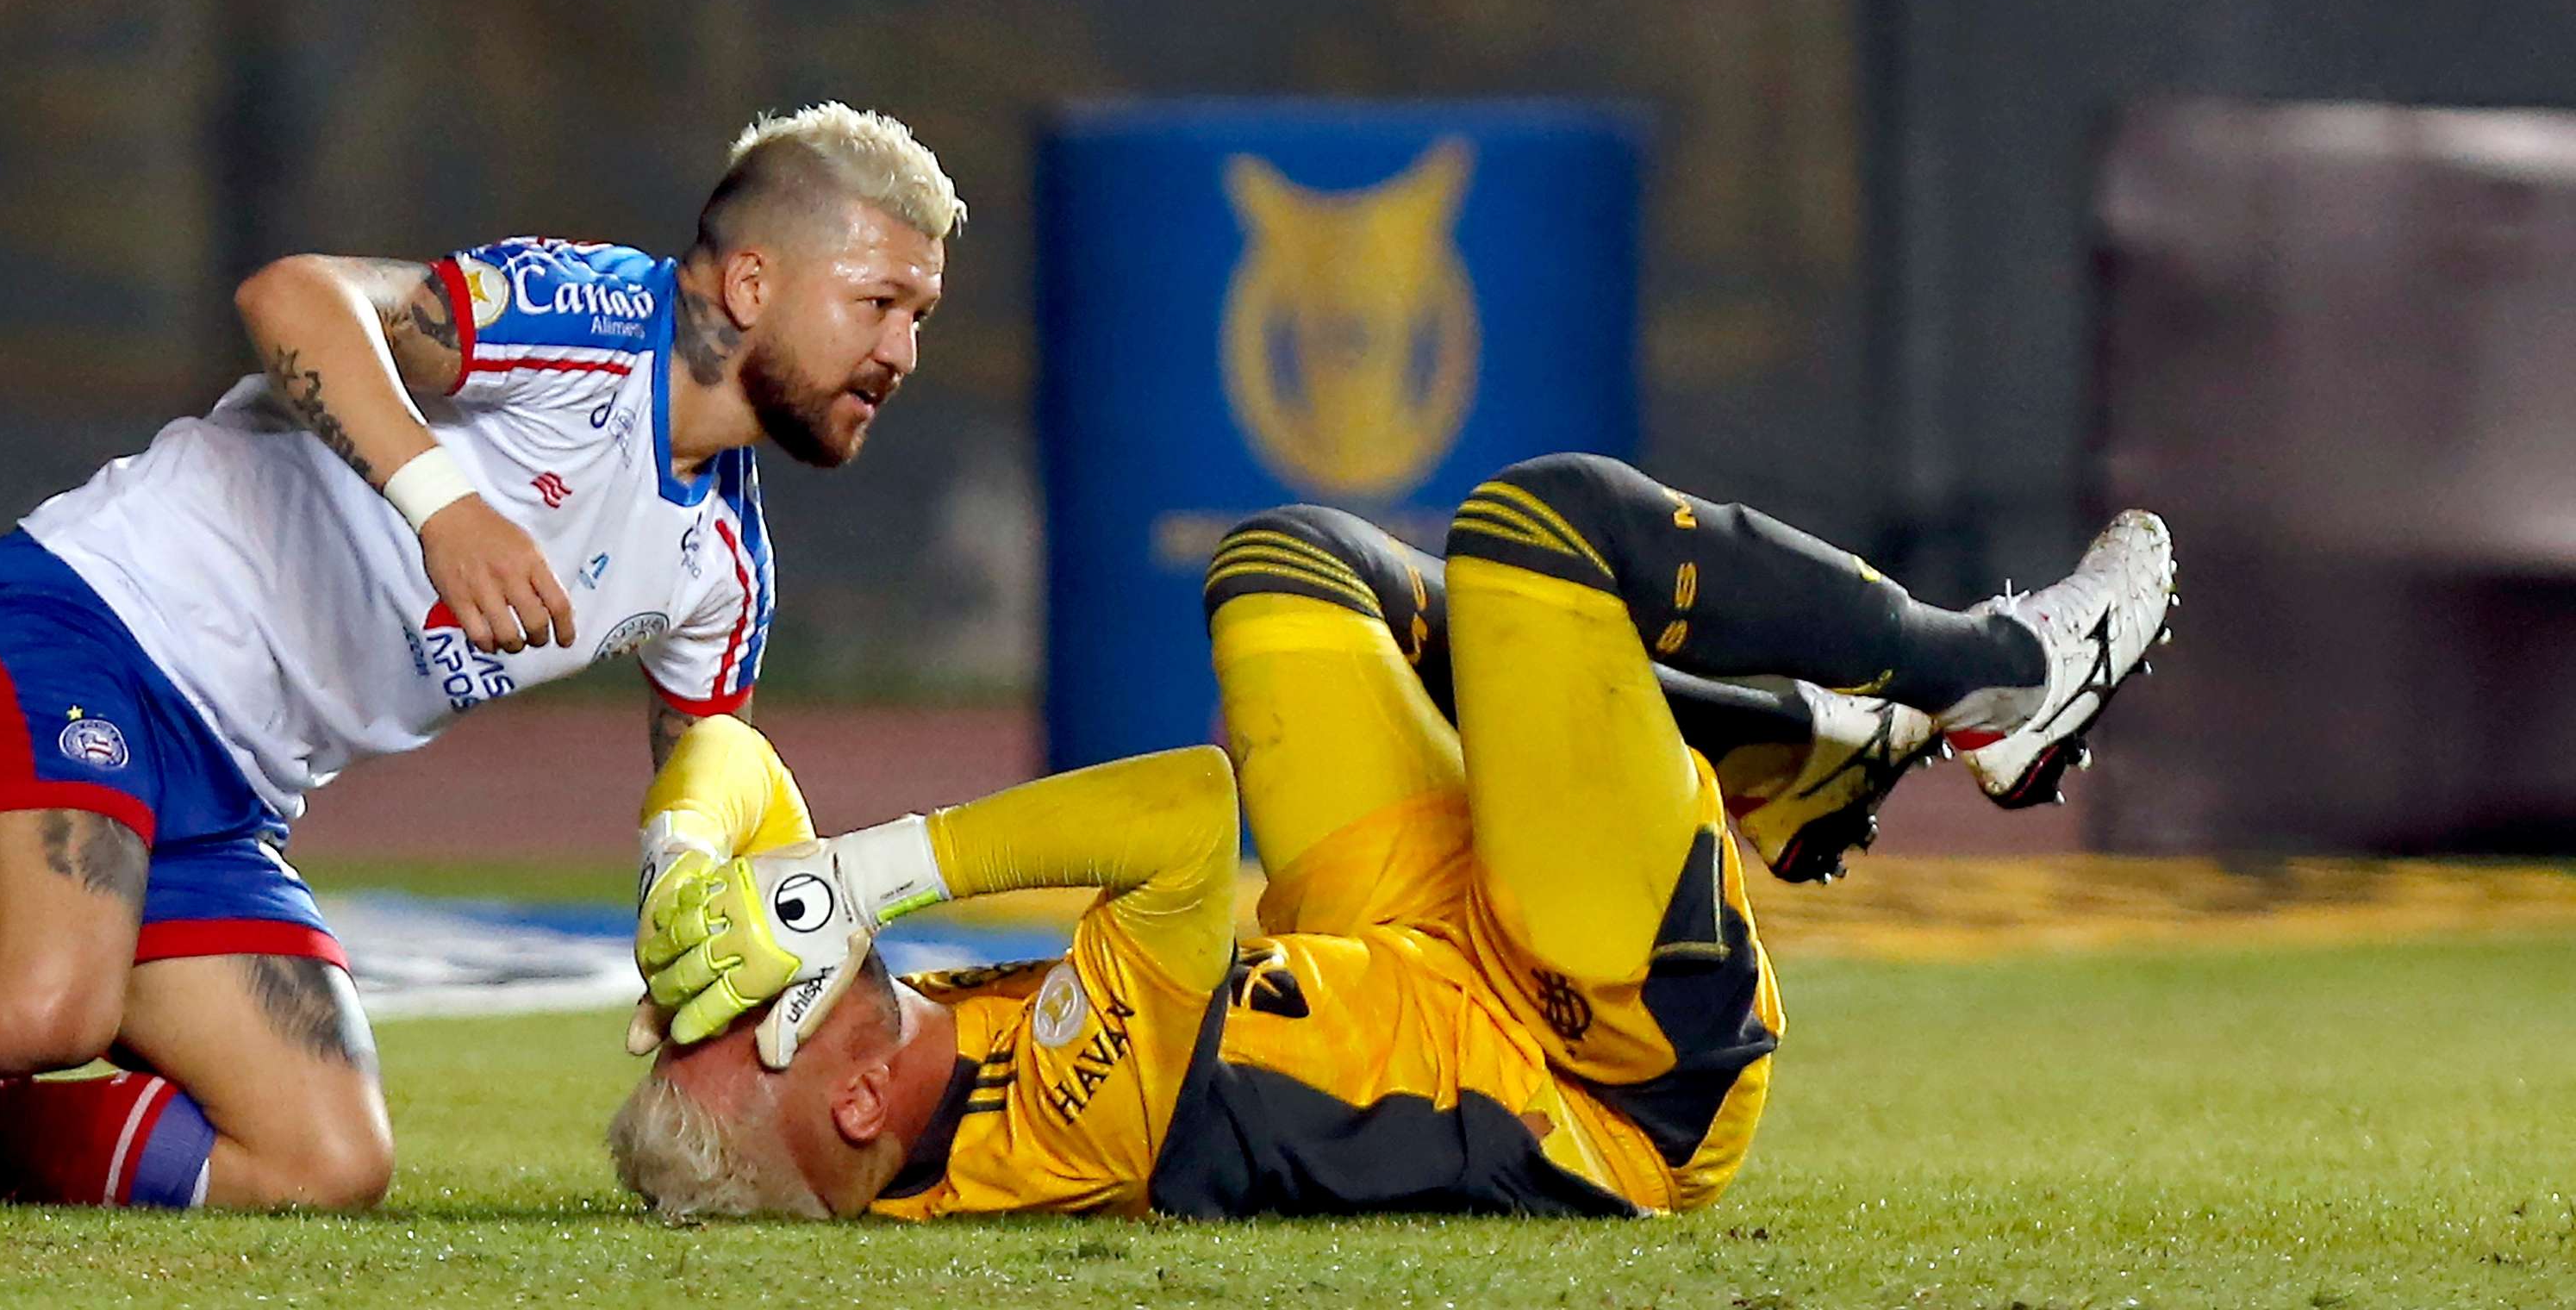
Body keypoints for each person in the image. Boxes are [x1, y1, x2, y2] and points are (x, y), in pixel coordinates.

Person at [0, 103, 961, 1213]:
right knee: (47, 1003)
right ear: (750, 285)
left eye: (922, 317)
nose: (901, 352)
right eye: (881, 301)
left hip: (222, 797)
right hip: (72, 631)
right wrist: (441, 501)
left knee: (323, 1160)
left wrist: (729, 951)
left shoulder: (727, 568)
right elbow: (292, 298)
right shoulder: (596, 325)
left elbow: (710, 797)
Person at [608, 453, 2173, 1220]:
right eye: (736, 1015)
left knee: (1287, 566)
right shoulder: (1066, 1125)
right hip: (1609, 1064)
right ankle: (1997, 678)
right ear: (860, 1095)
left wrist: (682, 862)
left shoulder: (907, 1074)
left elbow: (730, 750)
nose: (734, 974)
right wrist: (865, 872)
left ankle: (1786, 756)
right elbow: (1183, 813)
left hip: (1415, 951)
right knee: (1539, 538)